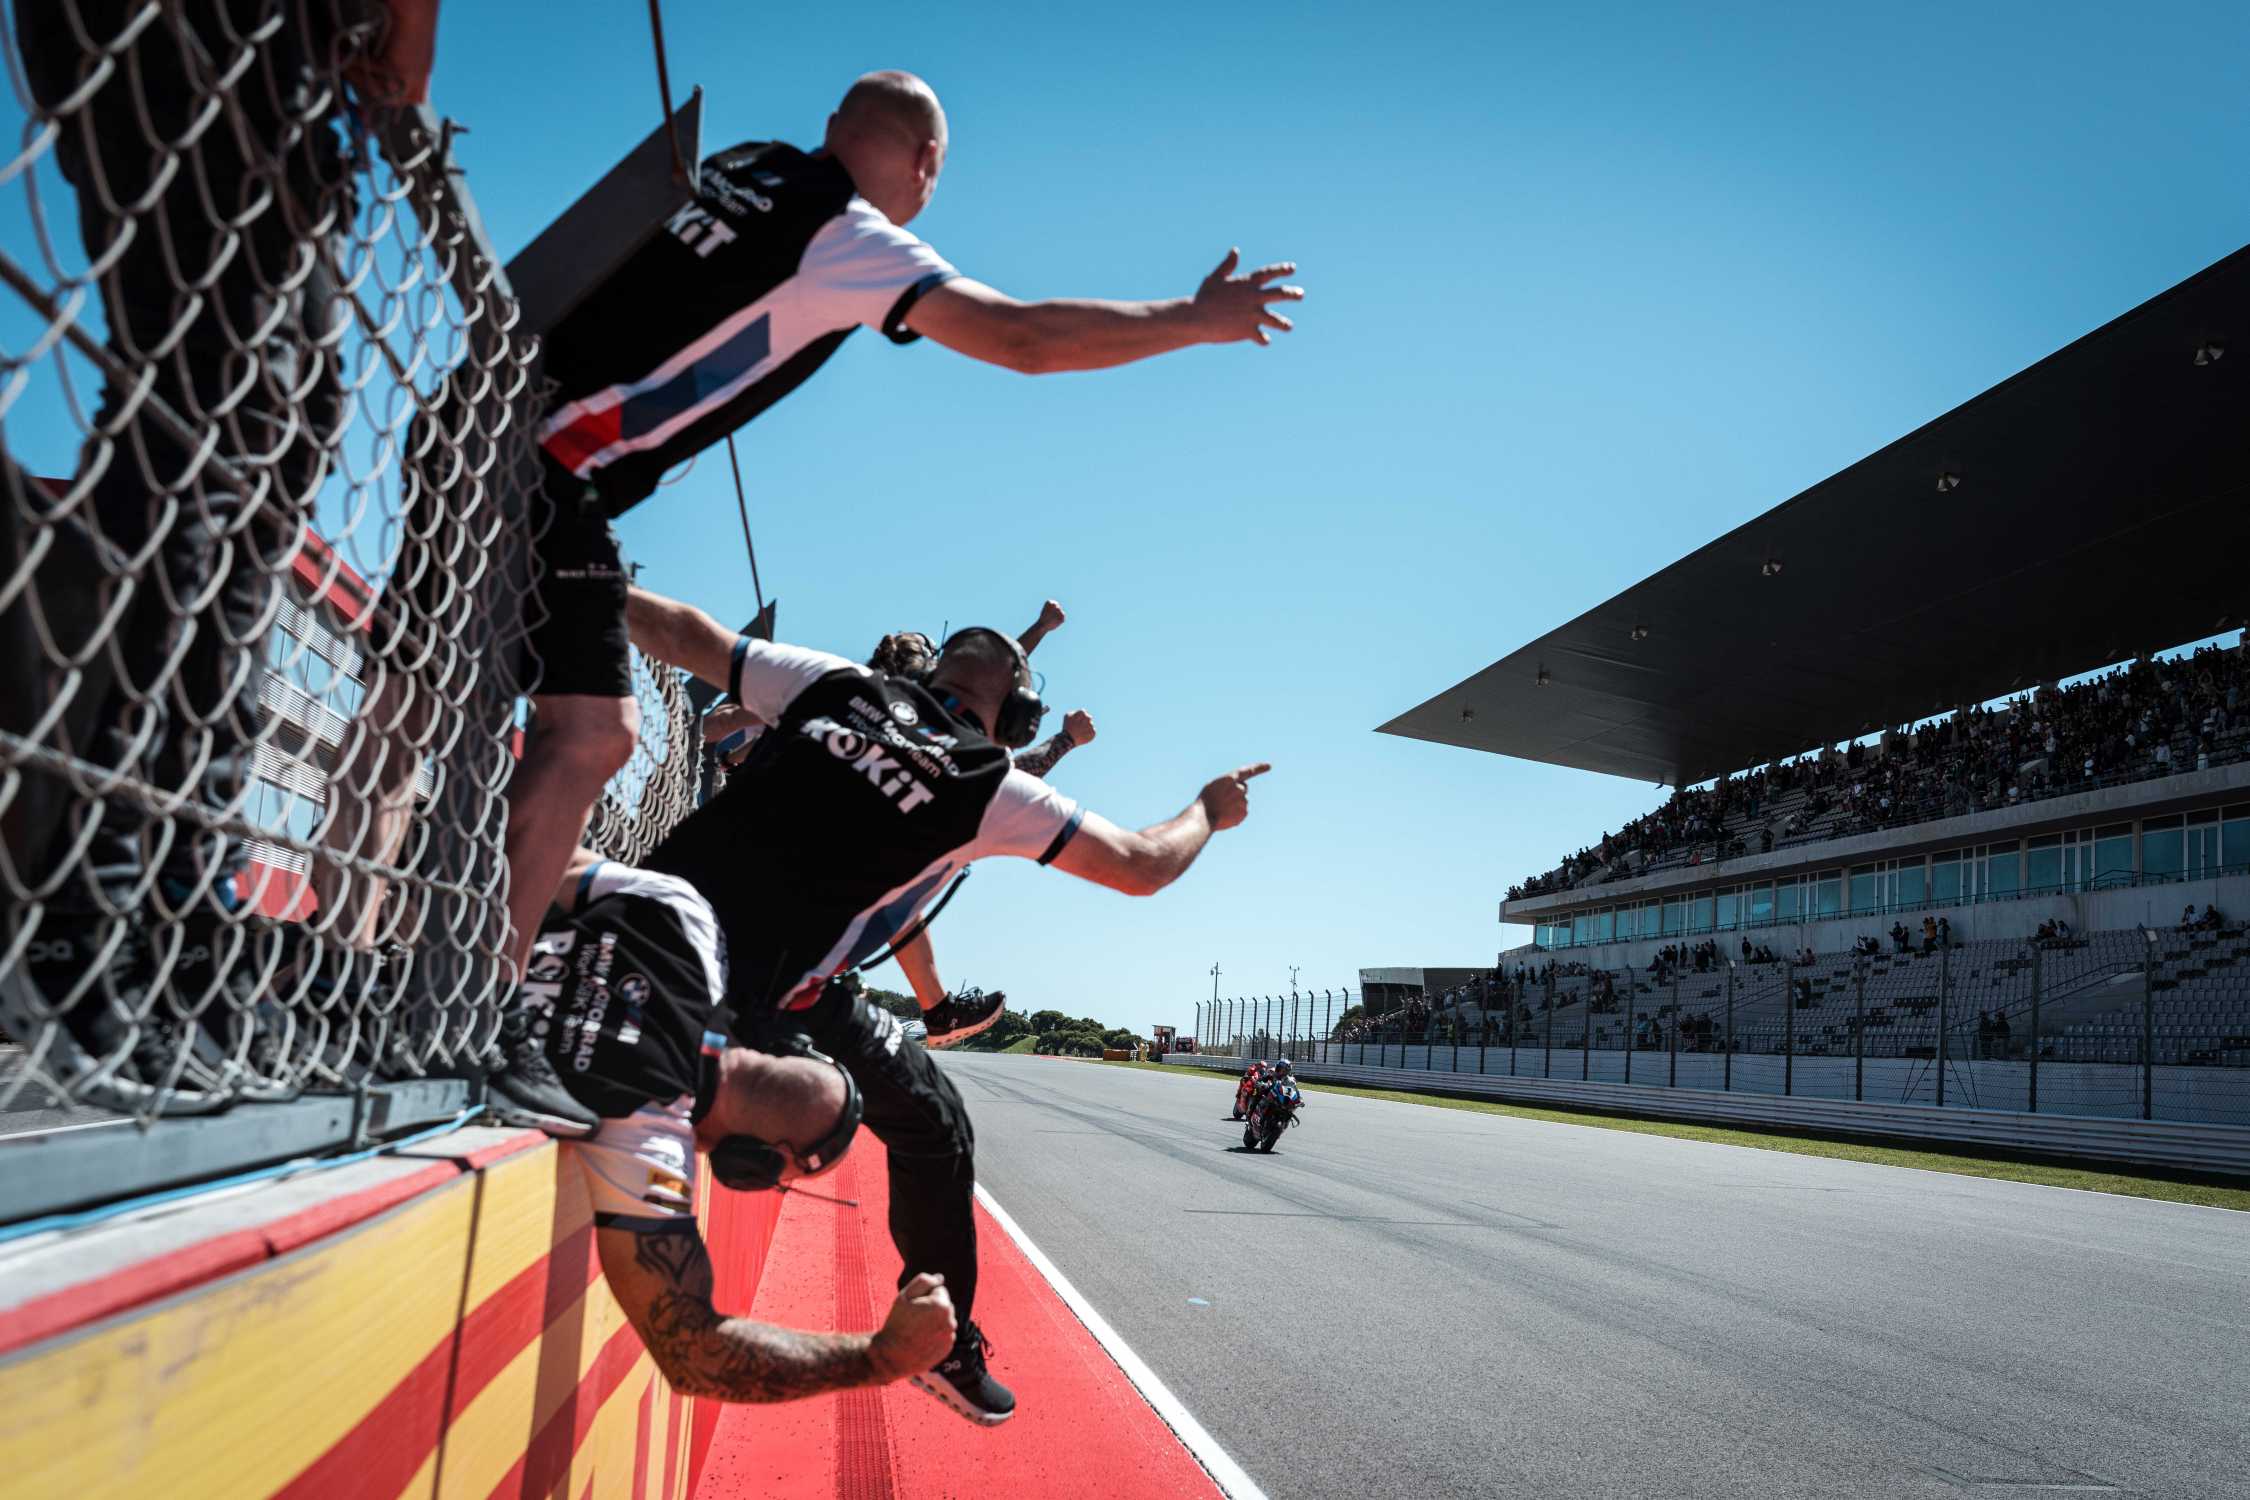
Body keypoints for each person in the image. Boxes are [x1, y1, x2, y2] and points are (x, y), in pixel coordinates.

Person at [325, 70, 1307, 1056]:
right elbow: (1021, 337)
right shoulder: (848, 236)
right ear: (926, 165)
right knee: (590, 736)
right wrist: (1193, 317)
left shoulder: (746, 166)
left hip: (475, 415)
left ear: (835, 124)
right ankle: (472, 1008)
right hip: (551, 466)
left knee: (410, 695)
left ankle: (328, 951)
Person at [602, 584, 1271, 1424]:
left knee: (915, 1100)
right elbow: (1142, 864)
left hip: (643, 935)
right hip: (751, 997)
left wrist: (574, 574)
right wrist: (1209, 809)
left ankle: (765, 1127)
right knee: (928, 1122)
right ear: (1017, 722)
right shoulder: (987, 783)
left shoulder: (833, 682)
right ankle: (941, 1342)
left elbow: (683, 630)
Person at [5, 0, 443, 1110]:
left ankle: (177, 894)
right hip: (217, 37)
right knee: (204, 409)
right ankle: (88, 894)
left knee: (280, 428)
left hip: (281, 64)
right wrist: (407, 32)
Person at [518, 846, 958, 1402]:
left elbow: (536, 844)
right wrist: (880, 1358)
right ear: (753, 1164)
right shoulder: (648, 1136)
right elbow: (694, 1353)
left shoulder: (689, 923)